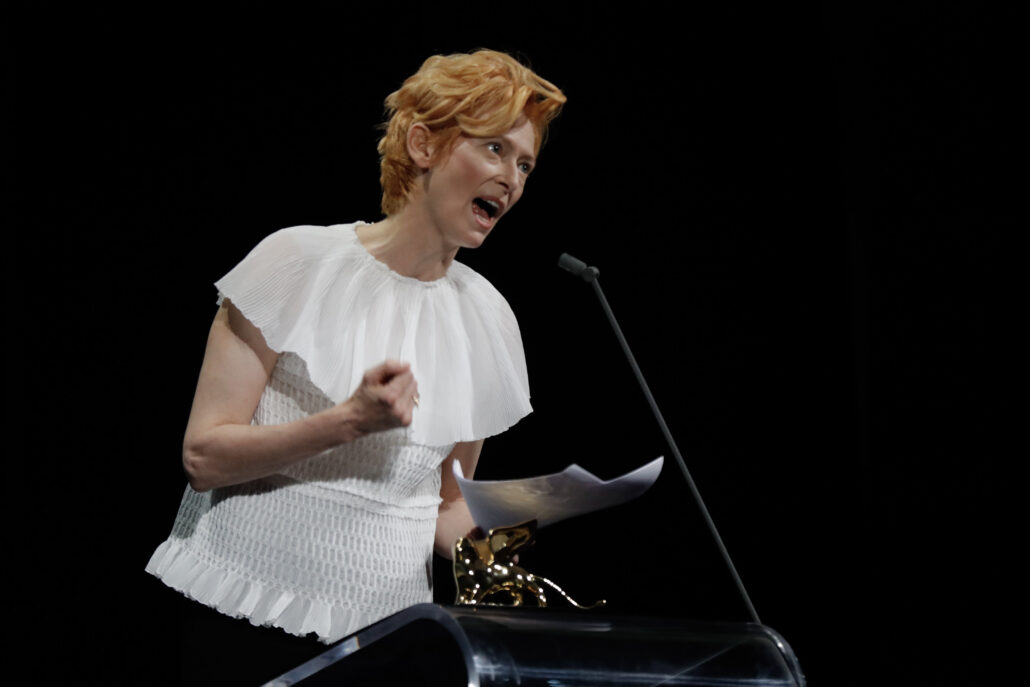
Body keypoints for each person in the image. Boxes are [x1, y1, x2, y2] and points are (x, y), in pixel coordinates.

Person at [145, 49, 565, 682]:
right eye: (494, 149)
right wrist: (345, 422)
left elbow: (446, 508)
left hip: (384, 647)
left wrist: (508, 557)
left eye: (526, 163)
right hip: (244, 619)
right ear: (423, 144)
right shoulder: (294, 262)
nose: (512, 178)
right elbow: (204, 457)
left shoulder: (488, 319)